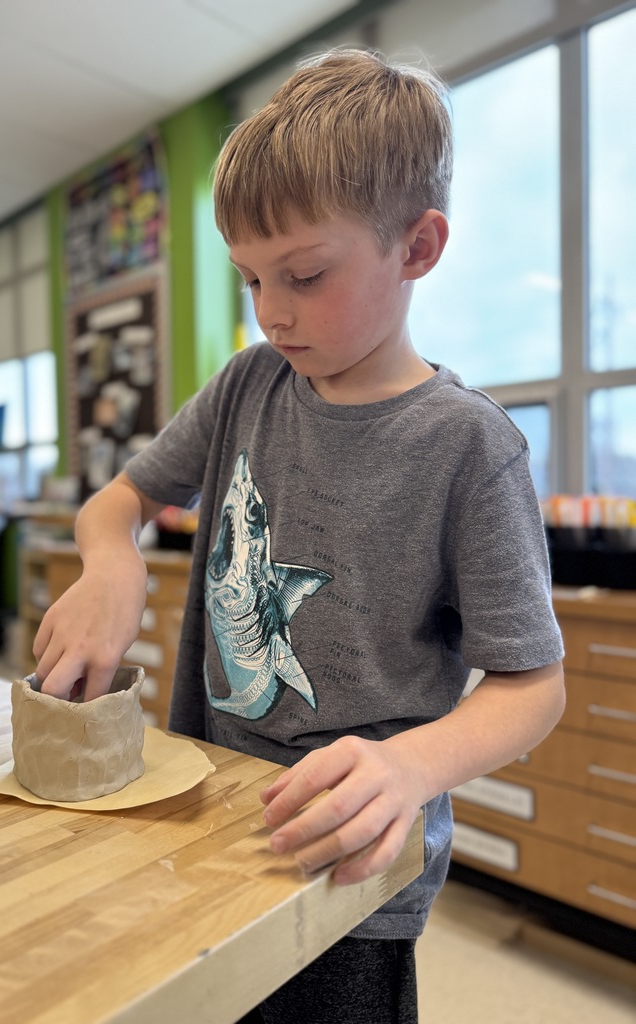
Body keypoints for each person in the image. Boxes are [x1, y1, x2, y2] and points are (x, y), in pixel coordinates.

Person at [35, 48, 565, 1024]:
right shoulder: (249, 385)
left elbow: (533, 684)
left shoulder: (468, 446)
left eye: (305, 274)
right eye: (248, 280)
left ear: (417, 247)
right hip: (204, 819)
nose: (272, 313)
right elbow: (116, 501)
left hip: (347, 883)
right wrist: (110, 560)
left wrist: (411, 766)